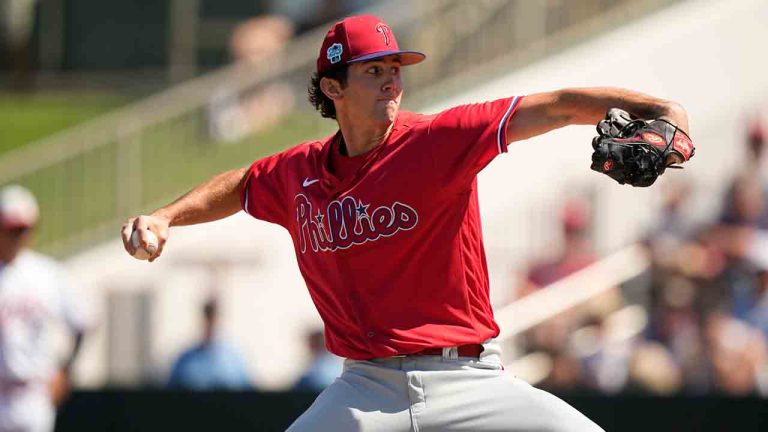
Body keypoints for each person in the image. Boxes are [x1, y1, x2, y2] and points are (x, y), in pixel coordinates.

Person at [122, 15, 692, 431]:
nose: (392, 79)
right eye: (374, 70)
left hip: (469, 381)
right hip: (364, 387)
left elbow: (564, 103)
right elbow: (242, 185)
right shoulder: (298, 173)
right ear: (332, 87)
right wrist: (167, 215)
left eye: (396, 67)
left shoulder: (439, 140)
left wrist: (664, 113)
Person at [0, 185, 88, 432]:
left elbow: (82, 323)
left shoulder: (46, 274)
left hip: (33, 392)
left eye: (23, 229)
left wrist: (65, 372)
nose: (18, 236)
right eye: (11, 229)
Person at [167, 298, 252, 390]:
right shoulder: (185, 361)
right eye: (208, 316)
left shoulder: (234, 361)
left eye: (214, 317)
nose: (211, 322)